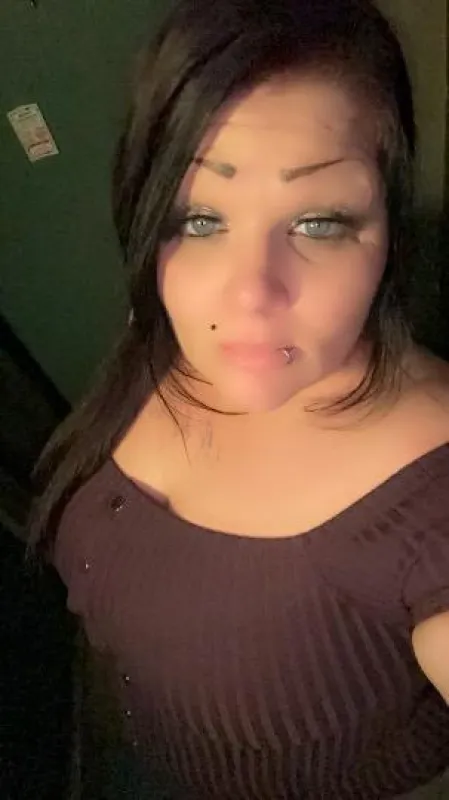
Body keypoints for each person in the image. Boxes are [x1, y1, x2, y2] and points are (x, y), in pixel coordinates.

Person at [29, 0, 449, 797]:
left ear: (389, 231)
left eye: (317, 222)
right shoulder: (166, 336)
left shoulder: (430, 498)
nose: (249, 293)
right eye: (198, 219)